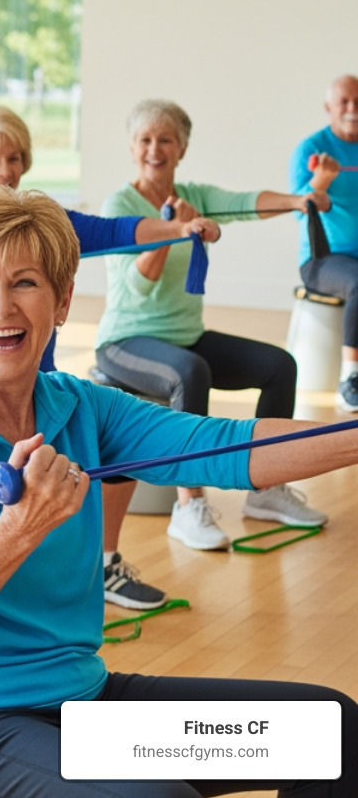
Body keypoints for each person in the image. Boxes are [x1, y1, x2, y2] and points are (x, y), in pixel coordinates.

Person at [0, 186, 358, 798]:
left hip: (80, 708)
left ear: (62, 300)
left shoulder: (82, 407)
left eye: (25, 283)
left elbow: (226, 447)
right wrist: (18, 529)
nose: (1, 307)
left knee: (330, 732)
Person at [0, 105, 205, 610]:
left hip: (40, 390)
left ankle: (104, 564)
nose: (6, 170)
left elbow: (117, 231)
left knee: (108, 446)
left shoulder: (41, 222)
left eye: (15, 158)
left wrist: (179, 229)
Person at [98, 98, 331, 552]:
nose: (154, 149)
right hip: (126, 339)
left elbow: (243, 204)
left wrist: (297, 201)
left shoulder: (195, 197)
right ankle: (188, 505)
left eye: (166, 140)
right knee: (191, 372)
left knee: (279, 365)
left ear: (182, 149)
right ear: (132, 147)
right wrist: (173, 232)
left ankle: (266, 490)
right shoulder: (120, 204)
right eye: (145, 139)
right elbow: (137, 286)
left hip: (185, 335)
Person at [292, 74, 358, 411]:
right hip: (322, 261)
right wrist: (320, 181)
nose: (352, 109)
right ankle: (351, 378)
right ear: (329, 107)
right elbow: (298, 209)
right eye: (344, 102)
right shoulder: (311, 149)